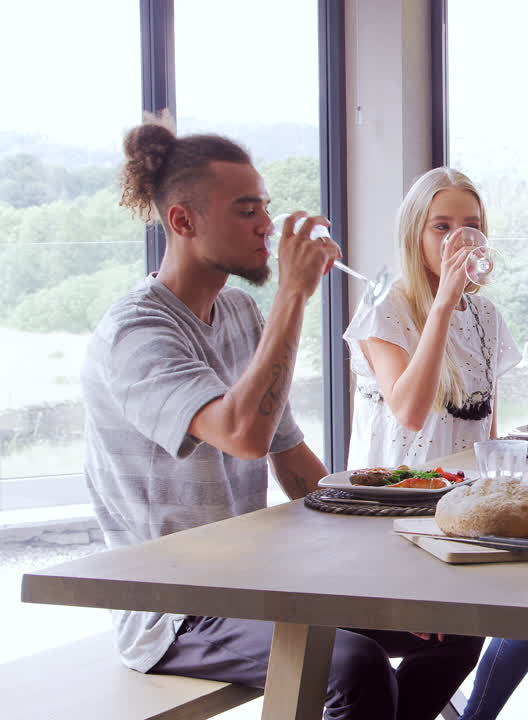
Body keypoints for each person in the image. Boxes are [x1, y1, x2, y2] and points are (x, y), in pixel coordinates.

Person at [83, 120, 483, 720]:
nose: (268, 226)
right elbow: (244, 436)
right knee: (353, 667)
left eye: (265, 208)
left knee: (457, 624)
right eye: (247, 211)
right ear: (183, 221)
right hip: (178, 608)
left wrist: (380, 553)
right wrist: (294, 293)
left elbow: (295, 464)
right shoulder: (137, 333)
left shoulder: (239, 310)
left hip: (262, 580)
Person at [343, 167, 528, 720]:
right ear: (415, 234)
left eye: (472, 226)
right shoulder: (385, 309)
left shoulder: (484, 315)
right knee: (513, 605)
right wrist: (440, 306)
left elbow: (484, 431)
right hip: (391, 523)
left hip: (459, 515)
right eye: (442, 227)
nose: (458, 240)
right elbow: (409, 411)